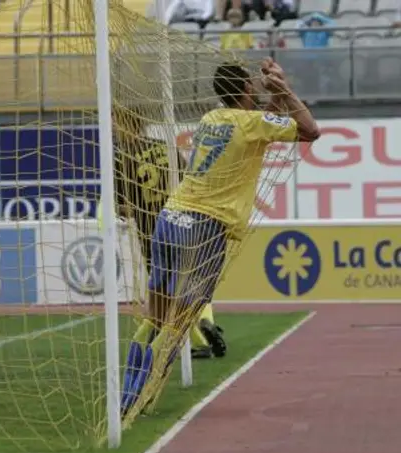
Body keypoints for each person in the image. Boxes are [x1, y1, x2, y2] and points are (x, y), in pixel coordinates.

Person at [120, 57, 320, 418]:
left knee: (157, 315)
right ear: (246, 89)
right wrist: (283, 89)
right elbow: (310, 130)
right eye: (251, 87)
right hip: (205, 227)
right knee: (182, 318)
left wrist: (269, 95)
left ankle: (127, 394)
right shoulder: (251, 124)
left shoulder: (211, 119)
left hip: (171, 217)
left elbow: (261, 127)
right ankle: (145, 393)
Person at [102, 106, 227, 361]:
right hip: (181, 221)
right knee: (189, 279)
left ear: (128, 124)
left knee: (164, 290)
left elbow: (125, 208)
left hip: (153, 232)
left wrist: (126, 210)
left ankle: (182, 341)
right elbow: (188, 179)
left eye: (115, 123)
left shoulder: (120, 158)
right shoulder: (164, 147)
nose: (112, 129)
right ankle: (205, 322)